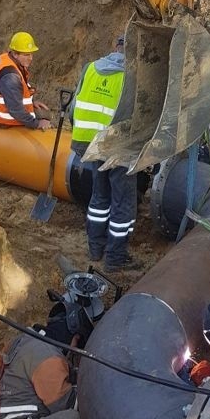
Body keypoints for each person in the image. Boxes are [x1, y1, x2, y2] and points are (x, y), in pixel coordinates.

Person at [69, 35, 141, 272]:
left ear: (114, 47)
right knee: (123, 202)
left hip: (90, 145)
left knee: (99, 197)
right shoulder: (131, 76)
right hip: (117, 148)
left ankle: (95, 248)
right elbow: (134, 117)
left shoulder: (90, 68)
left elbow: (73, 108)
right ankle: (115, 257)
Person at [0, 32, 52, 131]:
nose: (31, 58)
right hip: (3, 120)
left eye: (31, 54)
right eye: (26, 55)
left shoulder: (6, 59)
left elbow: (17, 92)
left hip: (1, 113)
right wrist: (37, 124)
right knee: (45, 116)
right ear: (15, 54)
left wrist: (31, 103)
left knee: (43, 113)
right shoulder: (10, 77)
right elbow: (16, 110)